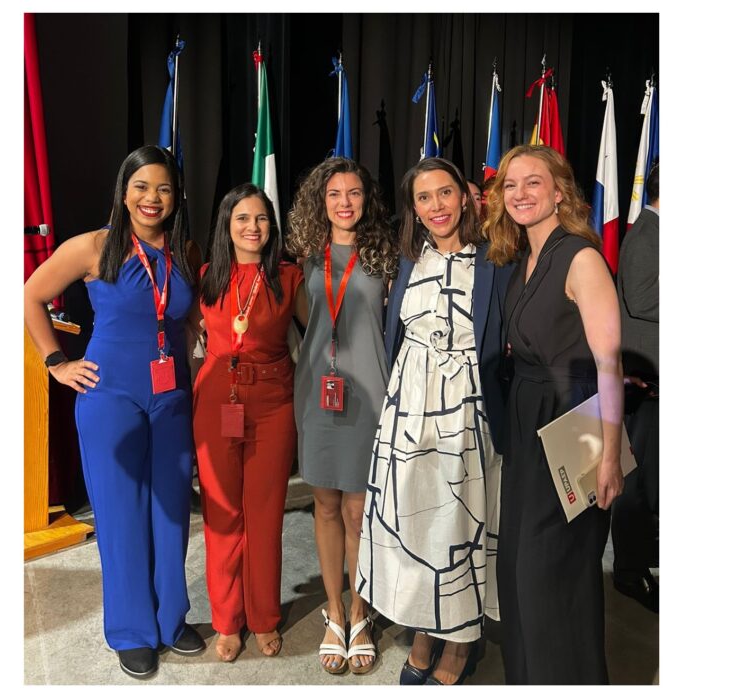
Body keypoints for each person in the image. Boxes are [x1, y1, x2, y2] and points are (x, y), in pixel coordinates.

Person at [23, 145, 206, 679]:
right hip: (110, 397)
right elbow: (30, 296)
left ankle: (171, 619)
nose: (153, 198)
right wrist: (56, 363)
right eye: (142, 186)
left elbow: (187, 318)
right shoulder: (93, 246)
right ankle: (131, 630)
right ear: (124, 192)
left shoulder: (184, 250)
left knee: (171, 512)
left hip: (171, 397)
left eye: (164, 188)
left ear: (177, 196)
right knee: (121, 514)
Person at [356, 157, 512, 686]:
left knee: (458, 525)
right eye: (424, 198)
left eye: (445, 193)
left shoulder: (494, 259)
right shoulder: (407, 260)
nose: (436, 206)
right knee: (415, 524)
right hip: (408, 407)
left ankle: (461, 641)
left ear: (466, 197)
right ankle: (424, 629)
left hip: (466, 407)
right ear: (414, 209)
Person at [484, 144, 624, 684]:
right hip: (528, 424)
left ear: (560, 191)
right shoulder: (523, 259)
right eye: (511, 184)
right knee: (517, 569)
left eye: (533, 182)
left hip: (575, 423)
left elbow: (609, 363)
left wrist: (608, 457)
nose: (520, 194)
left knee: (552, 574)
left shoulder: (580, 258)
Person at [287, 157, 398, 675]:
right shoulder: (307, 258)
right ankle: (334, 612)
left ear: (366, 199)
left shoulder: (385, 256)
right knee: (326, 506)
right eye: (334, 194)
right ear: (321, 201)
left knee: (358, 512)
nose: (345, 202)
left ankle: (360, 611)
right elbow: (307, 319)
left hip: (370, 395)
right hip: (318, 393)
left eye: (354, 193)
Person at [191, 183, 309, 662]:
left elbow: (321, 331)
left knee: (264, 514)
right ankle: (227, 621)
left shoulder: (289, 277)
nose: (252, 227)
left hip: (273, 404)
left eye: (261, 218)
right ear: (227, 225)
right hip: (218, 401)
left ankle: (263, 616)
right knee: (222, 514)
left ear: (271, 225)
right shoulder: (207, 277)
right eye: (242, 218)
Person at [611, 160, 659, 613]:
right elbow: (643, 301)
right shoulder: (647, 234)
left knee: (651, 474)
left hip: (656, 377)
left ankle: (644, 555)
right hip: (646, 380)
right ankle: (629, 571)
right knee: (637, 477)